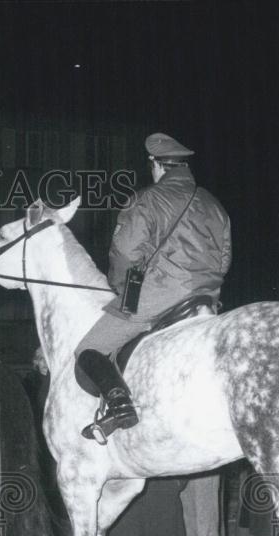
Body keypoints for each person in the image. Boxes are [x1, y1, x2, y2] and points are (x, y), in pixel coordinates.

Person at [74, 132, 232, 441]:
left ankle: (120, 406)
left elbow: (125, 254)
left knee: (88, 348)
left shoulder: (146, 199)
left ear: (156, 165)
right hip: (206, 300)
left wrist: (123, 291)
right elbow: (224, 261)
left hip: (159, 296)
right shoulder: (215, 206)